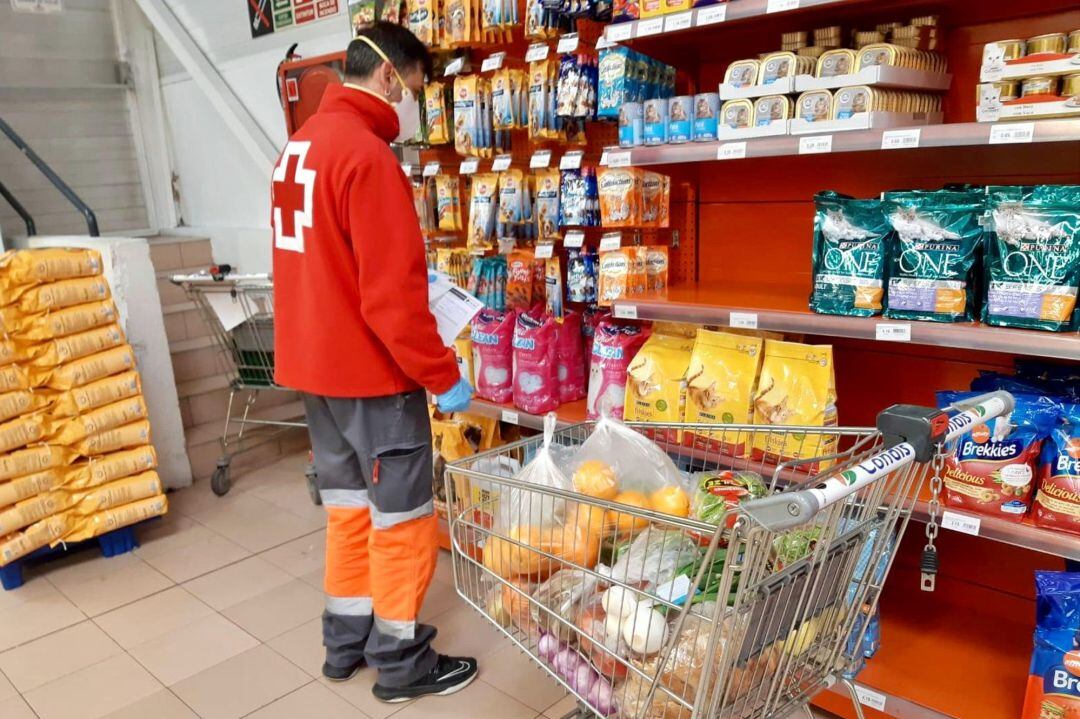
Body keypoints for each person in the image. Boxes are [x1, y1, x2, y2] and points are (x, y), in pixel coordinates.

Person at [270, 21, 477, 703]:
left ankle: (345, 642)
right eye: (418, 87)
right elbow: (391, 297)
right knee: (403, 517)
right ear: (390, 76)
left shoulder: (299, 149)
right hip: (372, 378)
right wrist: (443, 377)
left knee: (348, 509)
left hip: (314, 374)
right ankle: (402, 662)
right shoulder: (366, 157)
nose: (416, 104)